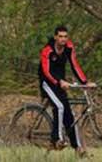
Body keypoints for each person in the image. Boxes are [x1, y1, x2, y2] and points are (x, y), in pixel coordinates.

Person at [37, 25, 96, 155]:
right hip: (47, 83)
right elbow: (46, 71)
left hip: (61, 84)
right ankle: (57, 139)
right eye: (60, 36)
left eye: (65, 36)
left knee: (69, 115)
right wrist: (59, 82)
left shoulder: (69, 48)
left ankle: (78, 148)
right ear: (55, 37)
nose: (63, 39)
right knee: (59, 107)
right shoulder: (47, 50)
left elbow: (75, 65)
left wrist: (85, 82)